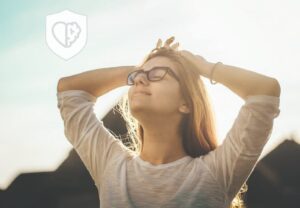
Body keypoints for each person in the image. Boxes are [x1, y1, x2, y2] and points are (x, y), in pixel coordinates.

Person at [56, 36, 281, 208]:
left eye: (158, 74)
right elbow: (70, 90)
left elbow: (265, 91)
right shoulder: (111, 166)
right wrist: (137, 69)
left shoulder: (216, 172)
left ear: (186, 103)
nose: (141, 79)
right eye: (137, 78)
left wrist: (203, 67)